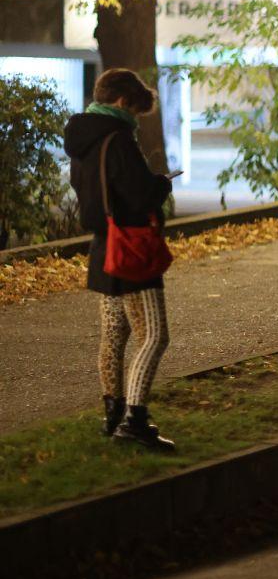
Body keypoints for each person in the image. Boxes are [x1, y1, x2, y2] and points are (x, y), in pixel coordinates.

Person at [63, 69, 175, 450]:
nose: (136, 120)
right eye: (136, 110)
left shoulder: (83, 140)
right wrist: (161, 183)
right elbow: (140, 195)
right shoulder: (119, 141)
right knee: (154, 336)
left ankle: (112, 417)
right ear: (123, 101)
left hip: (102, 249)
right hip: (131, 252)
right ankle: (135, 420)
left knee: (114, 336)